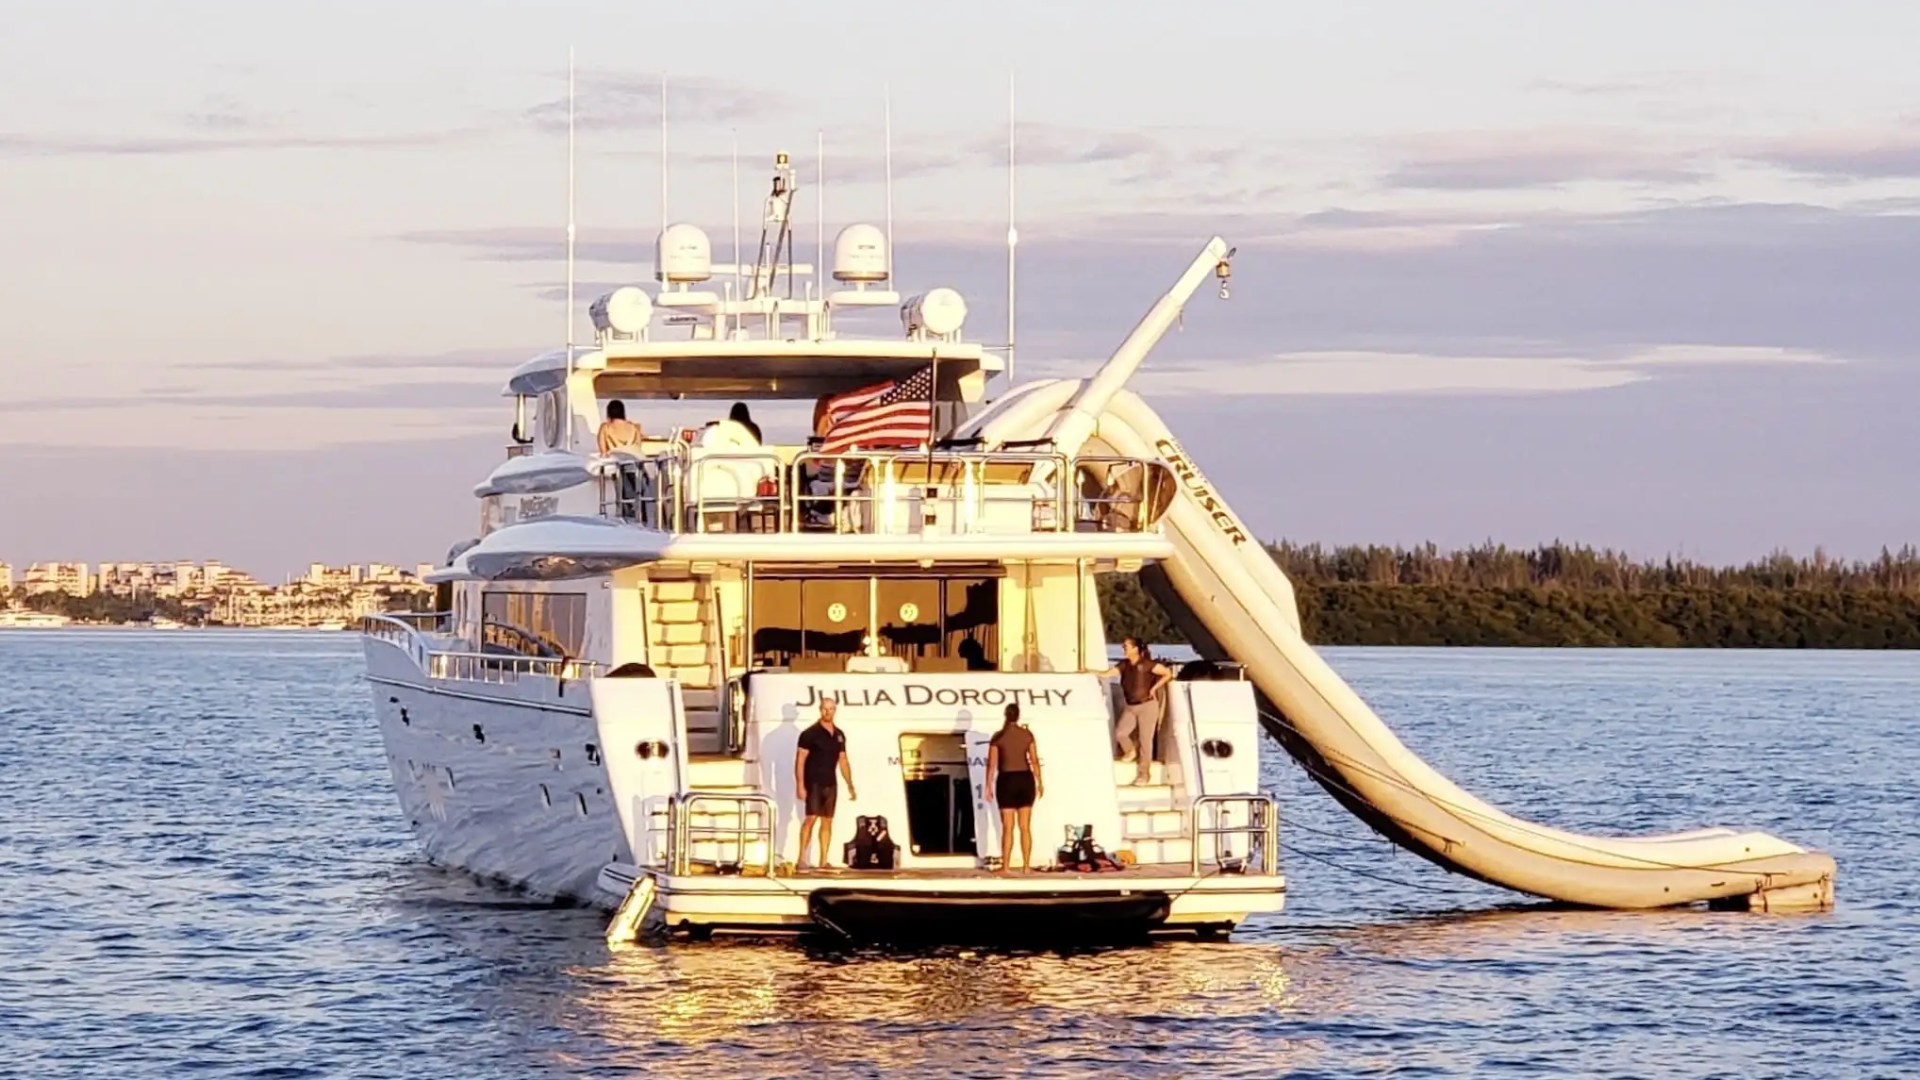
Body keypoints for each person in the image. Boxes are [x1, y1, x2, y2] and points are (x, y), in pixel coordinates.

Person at [794, 697, 856, 870]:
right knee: (811, 819)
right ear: (820, 710)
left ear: (835, 710)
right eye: (825, 709)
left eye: (831, 709)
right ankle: (801, 859)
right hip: (813, 782)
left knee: (827, 820)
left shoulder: (839, 735)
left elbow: (843, 760)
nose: (828, 712)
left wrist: (850, 784)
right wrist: (800, 784)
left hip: (831, 782)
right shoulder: (810, 734)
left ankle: (823, 860)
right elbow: (800, 760)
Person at [1102, 636, 1172, 785]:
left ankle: (1144, 774)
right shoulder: (1124, 665)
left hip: (1147, 705)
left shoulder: (1147, 664)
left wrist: (1154, 688)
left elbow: (1167, 673)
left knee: (1145, 740)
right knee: (1120, 733)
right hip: (1131, 706)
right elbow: (1107, 674)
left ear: (1135, 649)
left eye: (1126, 647)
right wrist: (1089, 672)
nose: (1123, 649)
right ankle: (1130, 751)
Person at [984, 702, 1042, 872]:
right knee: (1025, 827)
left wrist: (988, 785)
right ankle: (1026, 866)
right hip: (1025, 779)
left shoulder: (998, 737)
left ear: (1005, 715)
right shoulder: (1026, 735)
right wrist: (1040, 781)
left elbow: (992, 765)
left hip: (1007, 780)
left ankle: (1006, 867)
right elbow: (1034, 759)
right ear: (1018, 716)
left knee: (1007, 827)